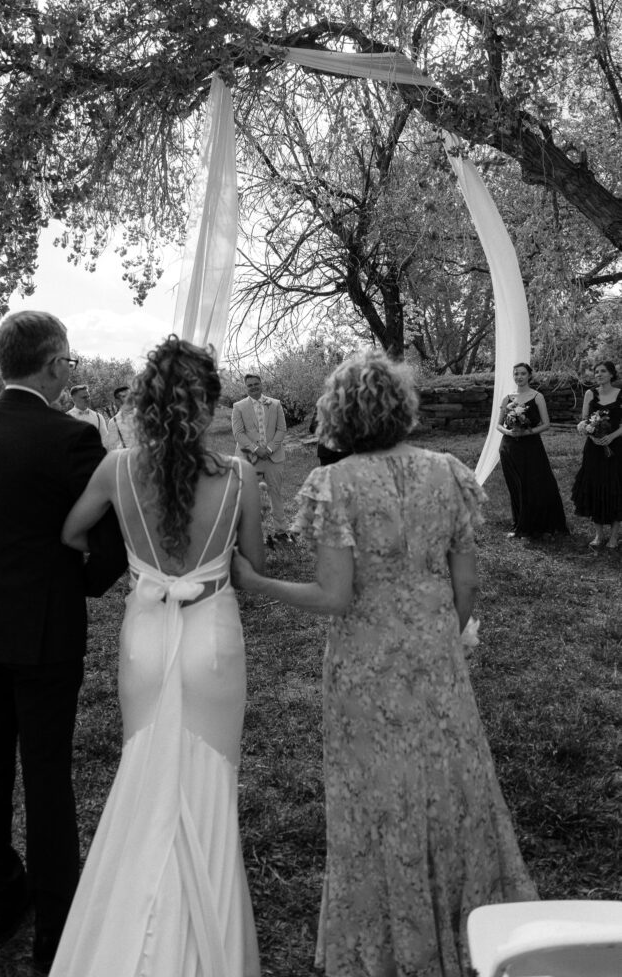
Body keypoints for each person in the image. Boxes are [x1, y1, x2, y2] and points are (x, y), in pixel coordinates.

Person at [233, 349, 537, 977]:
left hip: (363, 666)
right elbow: (468, 585)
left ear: (339, 414)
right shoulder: (450, 472)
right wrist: (440, 639)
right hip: (437, 653)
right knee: (453, 784)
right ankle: (472, 923)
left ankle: (391, 939)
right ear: (402, 407)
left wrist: (254, 583)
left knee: (374, 794)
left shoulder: (334, 484)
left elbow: (333, 596)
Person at [54, 336, 264, 977]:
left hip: (146, 636)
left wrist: (140, 564)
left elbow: (70, 532)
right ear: (211, 406)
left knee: (144, 775)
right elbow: (253, 563)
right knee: (207, 788)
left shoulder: (116, 468)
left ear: (145, 401)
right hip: (213, 640)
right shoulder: (238, 476)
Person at [0, 311, 126, 974]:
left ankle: (2, 903)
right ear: (51, 365)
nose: (72, 373)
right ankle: (54, 933)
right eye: (71, 363)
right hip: (43, 635)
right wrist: (82, 581)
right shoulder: (70, 439)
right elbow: (110, 542)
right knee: (47, 782)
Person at [496, 362, 568, 538]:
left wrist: (527, 431)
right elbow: (498, 424)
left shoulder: (537, 396)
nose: (519, 377)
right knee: (516, 487)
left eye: (522, 373)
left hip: (531, 447)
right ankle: (520, 525)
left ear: (529, 375)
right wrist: (510, 432)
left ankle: (540, 525)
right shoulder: (507, 398)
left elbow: (546, 424)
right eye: (516, 374)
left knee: (534, 485)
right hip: (509, 447)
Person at [572, 359, 622, 548]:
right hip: (593, 449)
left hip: (617, 447)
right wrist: (591, 435)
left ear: (611, 374)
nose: (598, 374)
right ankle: (599, 535)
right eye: (596, 372)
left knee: (615, 487)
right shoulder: (590, 394)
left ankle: (614, 536)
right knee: (594, 486)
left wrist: (611, 438)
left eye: (602, 371)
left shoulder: (620, 394)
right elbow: (584, 421)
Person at [232, 373, 289, 539]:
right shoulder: (239, 407)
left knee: (275, 492)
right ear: (246, 387)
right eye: (250, 385)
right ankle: (252, 533)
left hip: (273, 457)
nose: (254, 387)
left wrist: (270, 449)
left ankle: (281, 531)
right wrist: (256, 449)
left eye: (256, 384)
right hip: (249, 458)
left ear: (261, 384)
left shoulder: (275, 404)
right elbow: (238, 433)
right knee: (249, 496)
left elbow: (282, 429)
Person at [104, 384, 137, 450]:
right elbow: (113, 448)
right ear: (117, 401)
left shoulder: (144, 414)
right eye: (125, 396)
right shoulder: (113, 422)